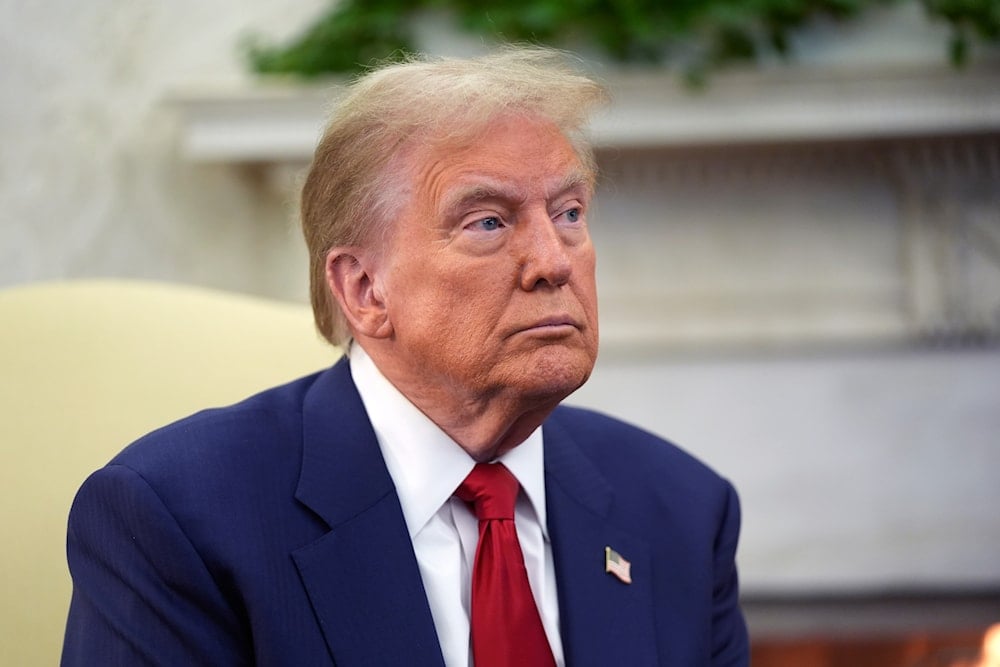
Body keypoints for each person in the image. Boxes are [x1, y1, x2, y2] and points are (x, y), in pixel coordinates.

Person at [62, 47, 749, 666]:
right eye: (488, 221)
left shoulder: (681, 510)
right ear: (364, 289)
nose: (553, 261)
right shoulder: (177, 520)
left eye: (569, 212)